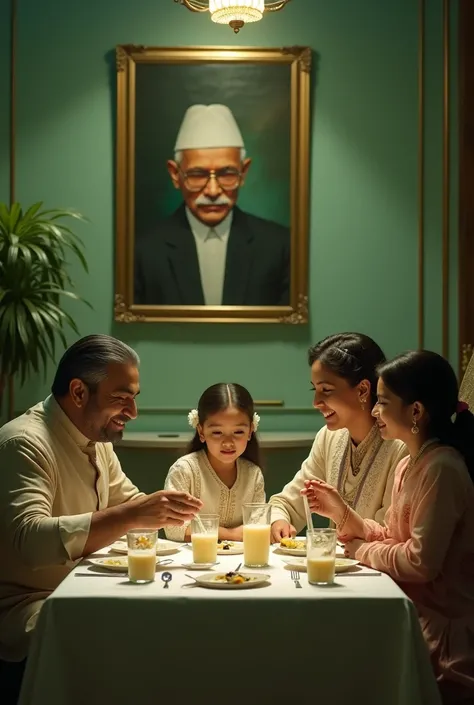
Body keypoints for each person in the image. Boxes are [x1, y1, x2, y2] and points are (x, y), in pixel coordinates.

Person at [0, 335, 202, 676]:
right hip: (29, 608)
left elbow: (131, 503)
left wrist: (181, 516)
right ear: (79, 392)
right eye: (122, 399)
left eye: (135, 399)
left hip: (82, 590)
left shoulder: (96, 439)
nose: (133, 412)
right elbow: (31, 540)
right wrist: (133, 514)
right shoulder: (23, 443)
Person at [303, 350, 474, 705]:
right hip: (413, 616)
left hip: (443, 638)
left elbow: (420, 561)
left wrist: (360, 551)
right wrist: (344, 514)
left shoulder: (442, 468)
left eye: (382, 402)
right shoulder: (410, 464)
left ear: (416, 411)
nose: (375, 411)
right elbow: (392, 536)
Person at [134, 104, 290, 306]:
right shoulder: (144, 251)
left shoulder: (280, 246)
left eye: (227, 174)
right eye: (197, 175)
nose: (213, 191)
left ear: (244, 172)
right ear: (175, 175)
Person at [269, 333, 408, 542]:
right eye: (314, 389)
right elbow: (287, 503)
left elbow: (389, 534)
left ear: (362, 389)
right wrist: (279, 521)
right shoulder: (329, 438)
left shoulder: (400, 446)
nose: (316, 402)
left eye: (326, 390)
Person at [163, 383, 265, 542]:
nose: (228, 443)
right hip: (195, 562)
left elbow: (259, 526)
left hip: (241, 561)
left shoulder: (253, 474)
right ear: (201, 432)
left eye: (238, 432)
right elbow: (174, 528)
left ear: (250, 431)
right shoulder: (184, 470)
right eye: (217, 432)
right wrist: (231, 535)